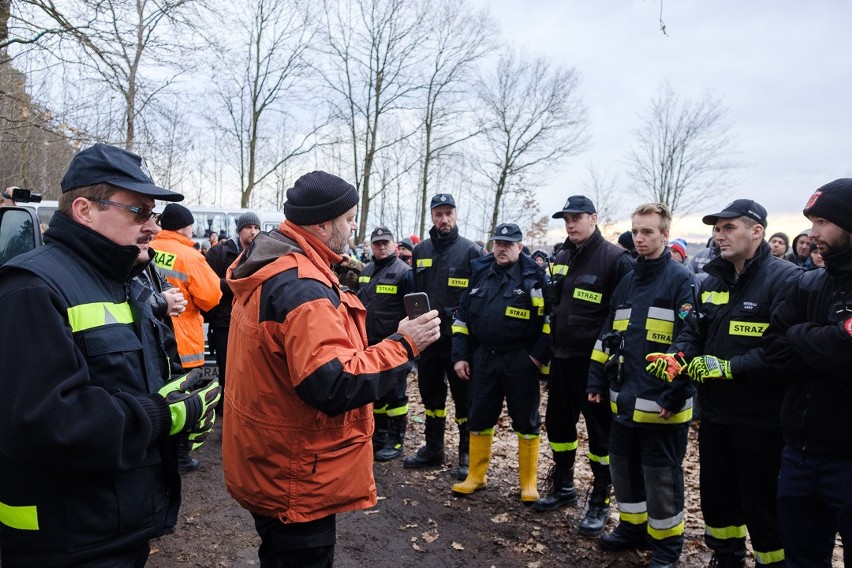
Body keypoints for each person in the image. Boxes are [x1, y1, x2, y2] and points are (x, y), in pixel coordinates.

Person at [0, 143, 220, 567]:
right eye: (138, 212)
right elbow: (42, 422)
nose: (153, 227)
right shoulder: (31, 288)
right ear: (84, 210)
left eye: (153, 214)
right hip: (64, 538)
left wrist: (181, 413)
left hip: (116, 525)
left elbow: (132, 383)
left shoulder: (126, 281)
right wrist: (161, 415)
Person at [222, 170, 441, 567]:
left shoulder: (273, 264)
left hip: (269, 460)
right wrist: (405, 344)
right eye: (350, 218)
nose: (354, 226)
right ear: (323, 223)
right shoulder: (303, 287)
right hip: (296, 475)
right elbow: (334, 382)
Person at [667, 199, 801, 567]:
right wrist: (677, 357)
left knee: (761, 502)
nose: (719, 235)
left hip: (761, 419)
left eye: (728, 228)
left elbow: (784, 351)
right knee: (718, 496)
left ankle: (771, 562)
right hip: (715, 413)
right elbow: (692, 332)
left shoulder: (786, 280)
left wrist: (728, 368)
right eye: (716, 228)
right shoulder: (712, 279)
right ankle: (726, 557)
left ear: (756, 231)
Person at [588, 202, 699, 568]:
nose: (639, 238)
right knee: (622, 466)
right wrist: (596, 381)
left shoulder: (682, 280)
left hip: (662, 405)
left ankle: (667, 545)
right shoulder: (627, 281)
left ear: (665, 235)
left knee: (661, 479)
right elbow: (608, 335)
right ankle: (633, 528)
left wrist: (675, 392)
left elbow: (690, 340)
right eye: (635, 231)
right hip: (624, 400)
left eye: (648, 231)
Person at [533, 195, 634, 540]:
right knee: (559, 427)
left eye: (577, 218)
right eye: (566, 220)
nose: (571, 224)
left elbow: (621, 317)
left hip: (595, 366)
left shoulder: (616, 259)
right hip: (561, 359)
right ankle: (563, 485)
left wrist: (607, 364)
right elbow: (554, 305)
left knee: (600, 436)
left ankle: (600, 498)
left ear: (594, 219)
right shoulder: (561, 256)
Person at [763, 179, 852, 568]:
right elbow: (775, 348)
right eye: (810, 222)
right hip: (799, 455)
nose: (812, 234)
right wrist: (828, 341)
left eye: (822, 223)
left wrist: (801, 338)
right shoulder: (808, 283)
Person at [450, 223, 551, 503]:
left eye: (508, 244)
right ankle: (476, 476)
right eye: (498, 243)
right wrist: (460, 356)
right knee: (479, 416)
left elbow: (548, 322)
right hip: (484, 358)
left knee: (526, 421)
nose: (502, 248)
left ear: (520, 246)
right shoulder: (480, 272)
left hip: (521, 359)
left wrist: (536, 358)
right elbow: (461, 319)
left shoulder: (534, 277)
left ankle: (528, 484)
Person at [404, 193, 484, 480]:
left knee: (464, 398)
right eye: (439, 214)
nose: (444, 219)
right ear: (432, 217)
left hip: (458, 340)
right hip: (429, 338)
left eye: (449, 213)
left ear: (456, 215)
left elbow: (478, 297)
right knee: (430, 394)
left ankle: (466, 452)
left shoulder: (472, 251)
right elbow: (415, 291)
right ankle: (434, 448)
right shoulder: (421, 250)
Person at [356, 226, 415, 462]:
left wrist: (409, 345)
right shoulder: (366, 271)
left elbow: (413, 313)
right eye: (377, 243)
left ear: (395, 246)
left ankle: (396, 440)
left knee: (396, 396)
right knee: (376, 394)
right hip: (369, 344)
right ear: (371, 246)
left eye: (385, 243)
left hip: (395, 345)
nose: (381, 247)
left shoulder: (405, 273)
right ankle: (378, 437)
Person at [151, 204, 222, 370]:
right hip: (182, 343)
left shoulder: (148, 248)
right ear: (183, 228)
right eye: (191, 225)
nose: (192, 230)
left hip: (151, 338)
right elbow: (211, 298)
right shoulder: (190, 257)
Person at [205, 211, 261, 391]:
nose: (253, 232)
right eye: (248, 227)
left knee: (250, 370)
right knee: (227, 369)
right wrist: (236, 284)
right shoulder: (219, 252)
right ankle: (225, 409)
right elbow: (206, 281)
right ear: (239, 231)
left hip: (252, 322)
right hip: (224, 322)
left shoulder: (263, 253)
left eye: (256, 227)